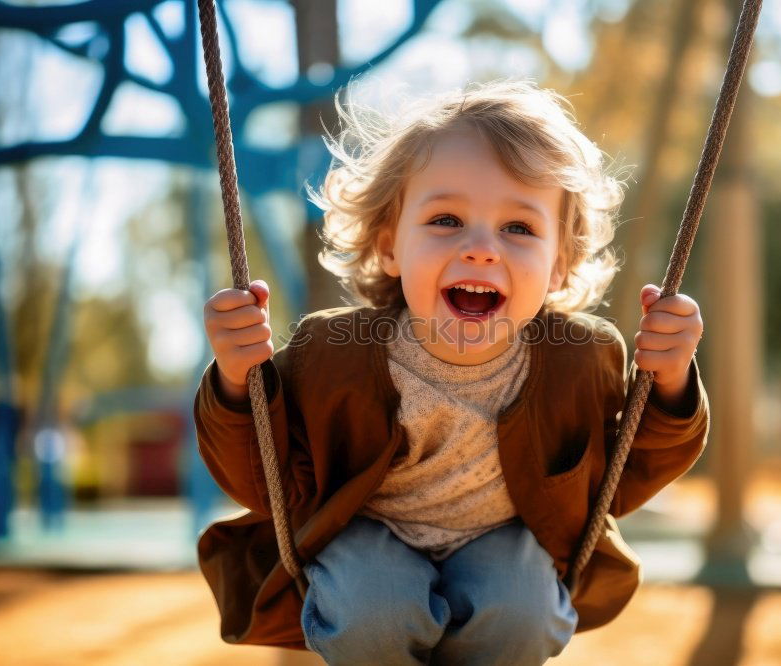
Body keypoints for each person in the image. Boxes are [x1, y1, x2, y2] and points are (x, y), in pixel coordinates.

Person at [195, 79, 710, 666]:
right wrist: (236, 382)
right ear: (390, 246)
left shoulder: (580, 361)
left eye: (519, 228)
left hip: (505, 539)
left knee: (523, 612)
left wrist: (670, 385)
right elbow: (264, 481)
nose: (481, 248)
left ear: (559, 266)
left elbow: (619, 480)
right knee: (374, 612)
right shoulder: (333, 352)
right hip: (367, 535)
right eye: (446, 219)